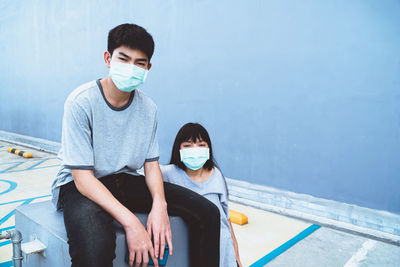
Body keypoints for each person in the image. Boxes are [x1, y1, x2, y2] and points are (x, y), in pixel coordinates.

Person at [51, 23, 220, 267]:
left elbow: (151, 167)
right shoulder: (81, 102)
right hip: (81, 186)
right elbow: (82, 178)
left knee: (207, 213)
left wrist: (159, 205)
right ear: (108, 58)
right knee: (95, 248)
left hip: (124, 179)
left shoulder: (148, 108)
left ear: (148, 68)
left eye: (140, 63)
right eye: (124, 59)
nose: (132, 68)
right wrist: (132, 223)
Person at [161, 123, 243, 267]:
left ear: (208, 149)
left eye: (201, 145)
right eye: (187, 145)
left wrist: (236, 254)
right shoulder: (167, 174)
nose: (195, 150)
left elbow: (226, 219)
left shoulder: (216, 175)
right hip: (191, 250)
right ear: (178, 149)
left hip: (223, 251)